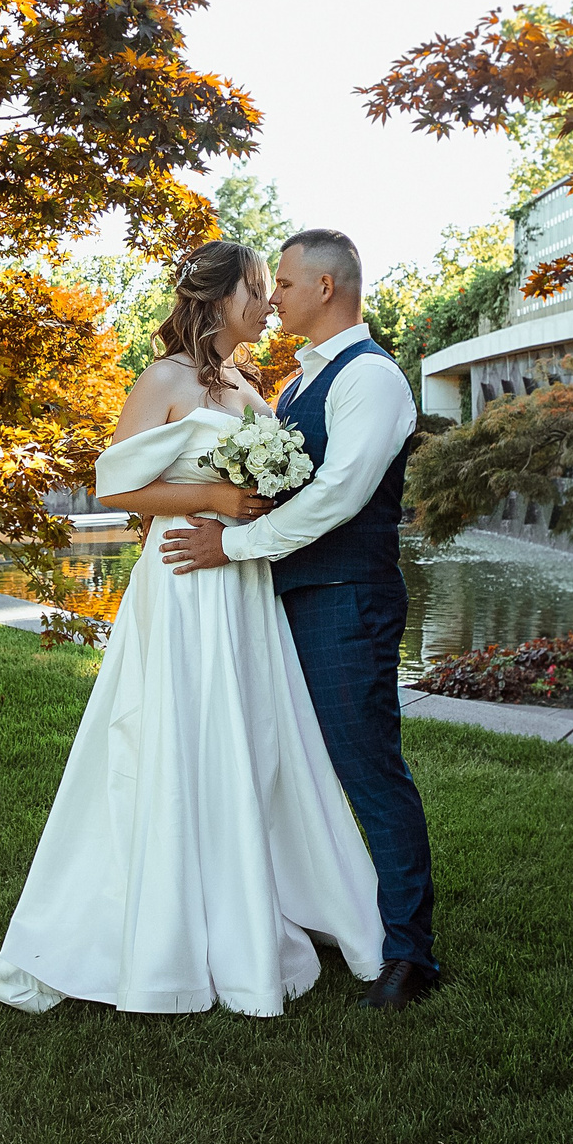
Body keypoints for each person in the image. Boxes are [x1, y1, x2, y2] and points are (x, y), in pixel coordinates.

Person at [0, 240, 384, 1016]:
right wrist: (217, 500)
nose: (269, 304)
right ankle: (164, 925)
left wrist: (258, 503)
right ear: (220, 299)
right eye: (258, 290)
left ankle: (251, 896)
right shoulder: (164, 378)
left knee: (251, 735)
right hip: (185, 579)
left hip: (243, 582)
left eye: (275, 288)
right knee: (177, 731)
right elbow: (116, 486)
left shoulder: (249, 384)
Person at [158, 228, 440, 1011]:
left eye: (282, 282)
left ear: (325, 287)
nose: (272, 295)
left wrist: (232, 545)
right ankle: (292, 908)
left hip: (346, 599)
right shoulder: (292, 386)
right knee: (287, 767)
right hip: (280, 601)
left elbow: (340, 495)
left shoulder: (371, 379)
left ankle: (409, 954)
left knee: (369, 770)